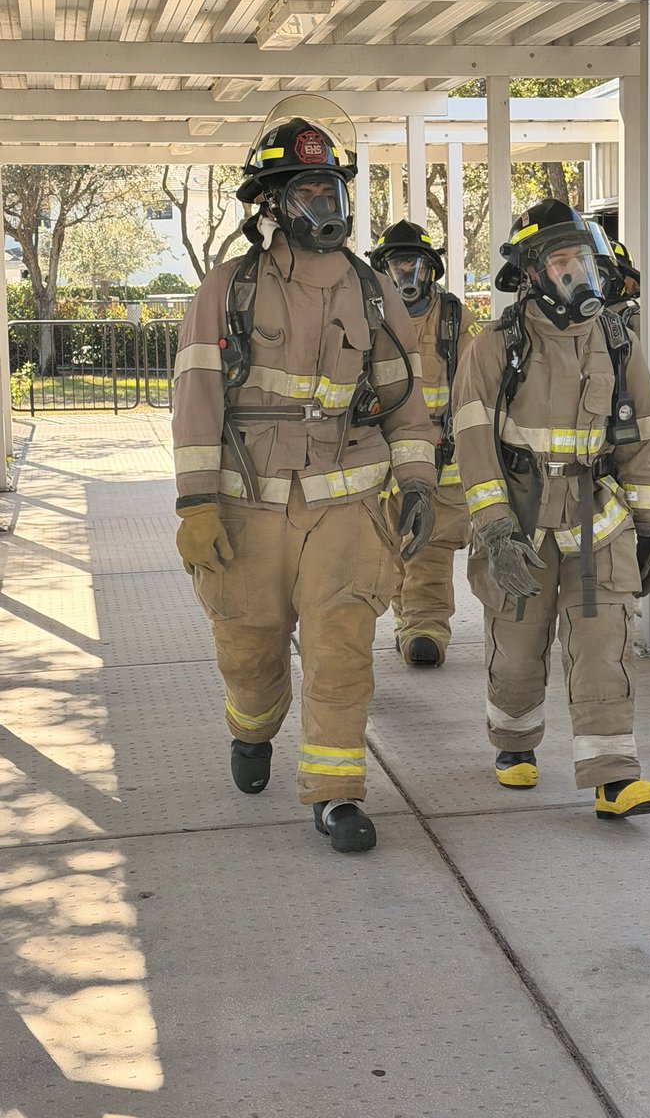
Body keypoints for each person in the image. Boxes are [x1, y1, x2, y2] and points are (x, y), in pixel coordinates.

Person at [171, 96, 437, 854]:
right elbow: (196, 401)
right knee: (249, 654)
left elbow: (407, 406)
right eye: (307, 193)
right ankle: (250, 729)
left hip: (349, 505)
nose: (325, 204)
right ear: (271, 206)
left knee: (341, 650)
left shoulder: (372, 288)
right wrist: (197, 505)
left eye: (333, 191)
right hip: (248, 505)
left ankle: (335, 793)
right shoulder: (228, 289)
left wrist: (416, 482)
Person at [452, 199, 650, 821]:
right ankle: (514, 742)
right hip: (519, 521)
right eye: (563, 262)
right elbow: (472, 443)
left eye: (584, 261)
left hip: (595, 523)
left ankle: (612, 776)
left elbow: (645, 438)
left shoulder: (618, 343)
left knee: (605, 641)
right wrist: (495, 531)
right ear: (532, 274)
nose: (579, 275)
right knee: (518, 645)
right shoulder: (495, 347)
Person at [369, 220, 477, 668]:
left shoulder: (456, 322)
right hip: (380, 460)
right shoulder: (368, 317)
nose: (406, 275)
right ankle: (404, 618)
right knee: (386, 546)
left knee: (428, 547)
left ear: (430, 269)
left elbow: (475, 389)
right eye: (397, 265)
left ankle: (426, 628)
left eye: (413, 264)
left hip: (440, 462)